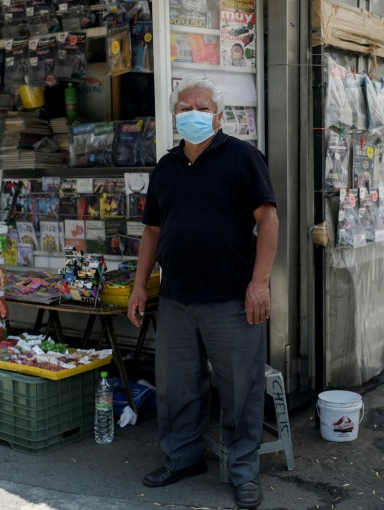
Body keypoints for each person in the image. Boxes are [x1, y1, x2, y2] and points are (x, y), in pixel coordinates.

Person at [127, 75, 278, 510]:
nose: (193, 113)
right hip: (176, 298)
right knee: (177, 387)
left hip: (232, 298)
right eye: (184, 108)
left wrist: (260, 282)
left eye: (201, 106)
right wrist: (140, 286)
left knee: (240, 390)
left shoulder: (244, 158)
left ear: (219, 114)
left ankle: (244, 471)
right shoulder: (166, 167)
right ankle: (182, 458)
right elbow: (152, 231)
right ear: (175, 117)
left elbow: (268, 220)